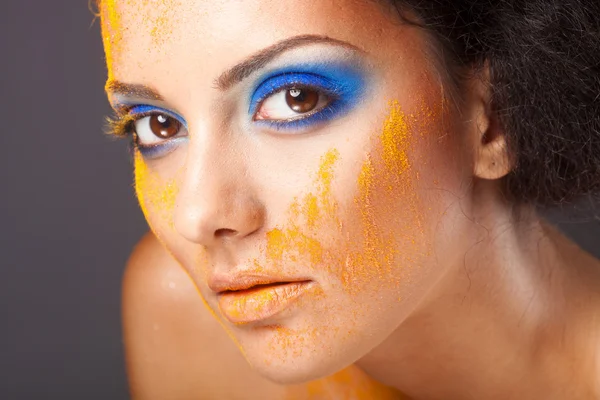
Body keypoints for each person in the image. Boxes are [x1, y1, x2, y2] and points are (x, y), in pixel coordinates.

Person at [97, 0, 600, 398]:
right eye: (156, 124)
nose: (197, 215)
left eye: (297, 98)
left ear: (492, 118)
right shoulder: (188, 320)